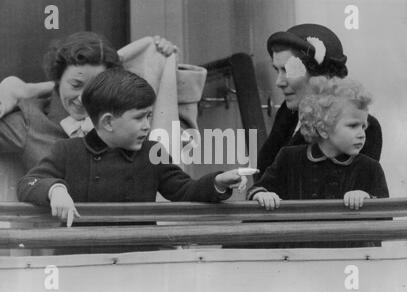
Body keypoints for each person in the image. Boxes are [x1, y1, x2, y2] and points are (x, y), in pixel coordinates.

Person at [17, 68, 247, 227]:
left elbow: (185, 190)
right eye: (139, 118)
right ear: (108, 121)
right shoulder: (67, 151)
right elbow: (28, 183)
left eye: (149, 116)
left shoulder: (152, 152)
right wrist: (55, 190)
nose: (148, 125)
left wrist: (217, 182)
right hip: (80, 257)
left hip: (140, 256)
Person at [0, 32, 175, 201]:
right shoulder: (28, 120)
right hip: (58, 228)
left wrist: (164, 57)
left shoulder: (127, 115)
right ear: (58, 79)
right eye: (75, 84)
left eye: (96, 87)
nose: (84, 98)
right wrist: (15, 88)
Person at [257, 24, 382, 178]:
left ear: (320, 74)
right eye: (277, 70)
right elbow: (265, 175)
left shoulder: (362, 128)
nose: (279, 82)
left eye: (288, 70)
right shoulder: (287, 113)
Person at [248, 76, 389, 210]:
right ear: (323, 130)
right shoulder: (289, 158)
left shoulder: (370, 168)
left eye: (363, 126)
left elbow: (385, 213)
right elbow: (259, 188)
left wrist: (367, 198)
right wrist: (261, 195)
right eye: (353, 126)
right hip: (298, 234)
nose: (361, 134)